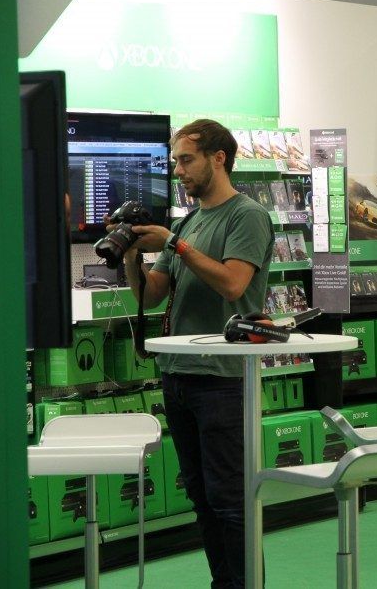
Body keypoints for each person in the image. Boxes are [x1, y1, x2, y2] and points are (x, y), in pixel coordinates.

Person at [121, 118, 274, 587]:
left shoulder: (245, 215)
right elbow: (150, 298)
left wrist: (175, 244)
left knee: (231, 499)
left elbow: (233, 283)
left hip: (224, 379)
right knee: (203, 499)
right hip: (179, 374)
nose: (179, 171)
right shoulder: (188, 221)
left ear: (218, 158)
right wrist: (130, 253)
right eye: (174, 163)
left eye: (186, 160)